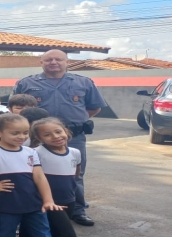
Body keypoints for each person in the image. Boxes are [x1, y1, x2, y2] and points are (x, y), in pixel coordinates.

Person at [14, 49, 106, 227]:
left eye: (58, 59)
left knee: (74, 174)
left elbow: (95, 108)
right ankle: (34, 206)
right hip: (36, 137)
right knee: (32, 173)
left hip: (72, 136)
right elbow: (16, 108)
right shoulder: (26, 83)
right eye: (48, 59)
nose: (53, 62)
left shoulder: (83, 82)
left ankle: (78, 210)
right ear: (41, 62)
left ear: (67, 62)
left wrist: (72, 124)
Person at [27, 117, 79, 237]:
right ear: (39, 138)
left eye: (58, 131)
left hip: (69, 200)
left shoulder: (75, 153)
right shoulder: (36, 153)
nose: (56, 136)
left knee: (57, 235)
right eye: (47, 135)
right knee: (68, 236)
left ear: (66, 131)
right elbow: (31, 177)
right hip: (47, 202)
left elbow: (76, 175)